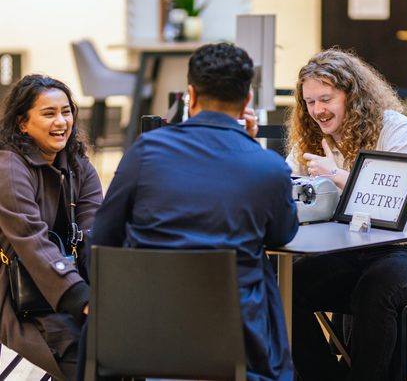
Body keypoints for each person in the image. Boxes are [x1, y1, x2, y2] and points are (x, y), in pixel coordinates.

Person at [88, 42, 299, 380]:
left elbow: (102, 238)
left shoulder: (145, 151)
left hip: (141, 337)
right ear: (247, 101)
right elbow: (282, 234)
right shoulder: (268, 167)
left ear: (190, 94)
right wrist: (247, 142)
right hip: (235, 345)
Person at [286, 48, 407, 381]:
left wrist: (337, 176)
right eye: (309, 102)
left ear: (352, 95)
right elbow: (288, 181)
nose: (317, 111)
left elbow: (401, 202)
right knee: (287, 286)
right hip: (354, 249)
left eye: (325, 99)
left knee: (375, 288)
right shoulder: (313, 136)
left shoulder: (395, 129)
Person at [0, 74, 103, 380]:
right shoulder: (8, 166)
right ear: (22, 123)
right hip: (18, 296)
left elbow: (94, 231)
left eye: (66, 111)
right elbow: (32, 241)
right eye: (49, 113)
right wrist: (81, 299)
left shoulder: (78, 164)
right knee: (76, 356)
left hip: (68, 287)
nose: (61, 121)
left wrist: (110, 289)